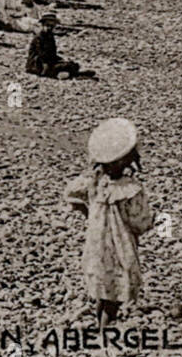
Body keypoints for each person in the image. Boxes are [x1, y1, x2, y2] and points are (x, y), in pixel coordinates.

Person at [64, 118, 152, 328]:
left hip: (96, 245)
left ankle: (99, 327)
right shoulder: (130, 189)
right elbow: (140, 221)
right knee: (114, 295)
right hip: (119, 248)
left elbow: (70, 193)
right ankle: (105, 336)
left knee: (102, 291)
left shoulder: (95, 182)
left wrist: (89, 213)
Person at [26, 12, 82, 79]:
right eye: (47, 25)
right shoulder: (39, 38)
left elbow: (52, 54)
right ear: (43, 25)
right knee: (63, 67)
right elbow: (41, 54)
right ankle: (65, 74)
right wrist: (46, 64)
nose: (49, 28)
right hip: (37, 64)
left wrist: (61, 59)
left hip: (48, 62)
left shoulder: (50, 37)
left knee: (72, 64)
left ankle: (66, 73)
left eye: (52, 26)